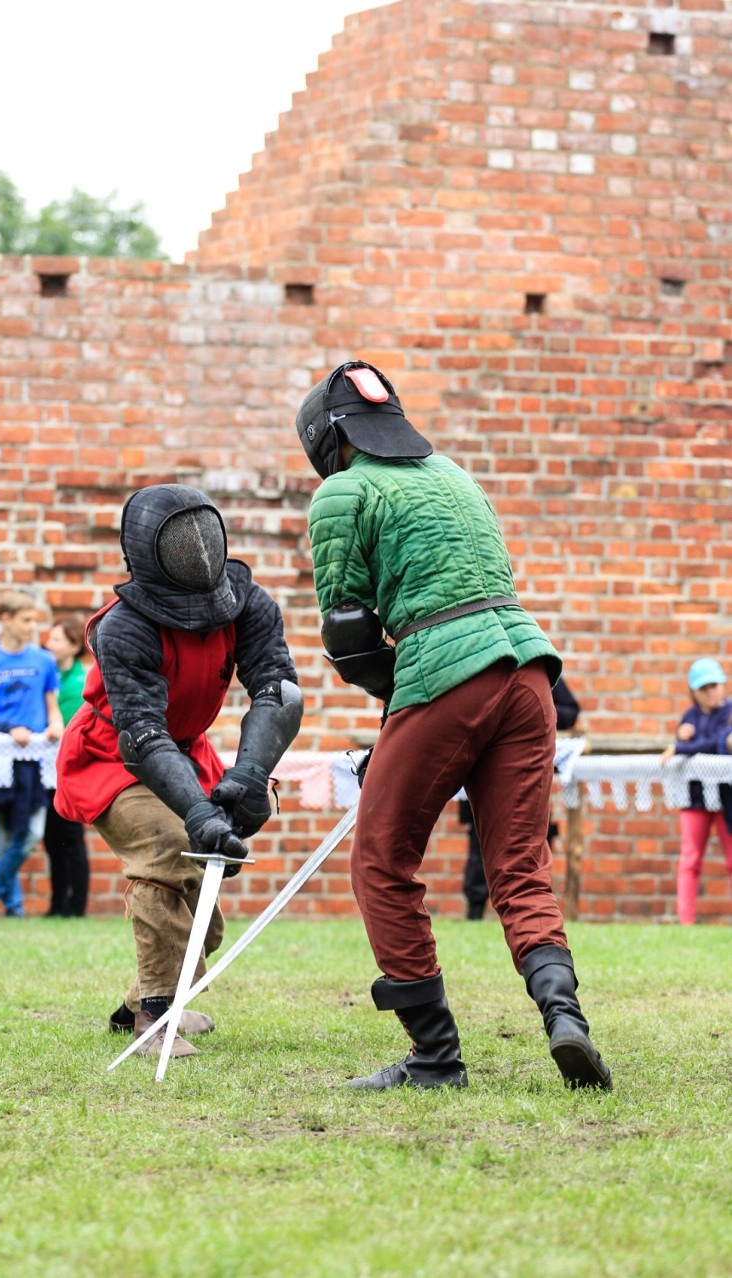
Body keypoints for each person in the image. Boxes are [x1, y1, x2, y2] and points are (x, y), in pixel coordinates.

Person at [296, 359, 612, 1091]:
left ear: (327, 437)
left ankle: (435, 1057)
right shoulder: (456, 475)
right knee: (520, 866)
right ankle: (564, 1015)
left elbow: (348, 632)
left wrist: (401, 708)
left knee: (381, 860)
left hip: (446, 674)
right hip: (529, 670)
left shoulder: (343, 492)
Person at [54, 484, 302, 1061]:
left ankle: (143, 995)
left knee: (203, 896)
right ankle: (155, 1016)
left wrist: (251, 771)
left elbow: (277, 689)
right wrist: (194, 810)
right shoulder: (122, 628)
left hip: (187, 751)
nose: (196, 550)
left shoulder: (250, 603)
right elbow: (141, 736)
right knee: (169, 849)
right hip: (112, 756)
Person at [0, 590, 63, 919]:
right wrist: (9, 728)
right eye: (26, 620)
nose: (31, 627)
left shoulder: (44, 661)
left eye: (34, 620)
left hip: (35, 761)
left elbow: (53, 710)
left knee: (32, 832)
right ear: (5, 620)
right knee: (4, 836)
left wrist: (54, 726)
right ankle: (15, 908)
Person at [459, 676, 582, 920]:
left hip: (521, 764)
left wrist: (524, 708)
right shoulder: (478, 668)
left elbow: (570, 711)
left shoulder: (538, 672)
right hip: (484, 763)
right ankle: (475, 908)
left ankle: (534, 912)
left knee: (529, 840)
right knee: (478, 842)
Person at [660, 658, 732, 925]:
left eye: (716, 686)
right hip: (695, 795)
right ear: (694, 692)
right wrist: (682, 737)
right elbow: (698, 743)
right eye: (705, 688)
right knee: (690, 859)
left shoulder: (729, 711)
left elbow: (717, 743)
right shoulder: (690, 716)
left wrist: (680, 747)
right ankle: (686, 922)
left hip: (727, 796)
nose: (712, 692)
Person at [43, 616, 89, 917]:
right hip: (43, 768)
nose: (50, 644)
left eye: (58, 639)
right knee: (51, 838)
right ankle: (57, 902)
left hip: (69, 768)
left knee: (71, 837)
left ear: (74, 646)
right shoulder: (46, 676)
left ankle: (76, 904)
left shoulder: (80, 681)